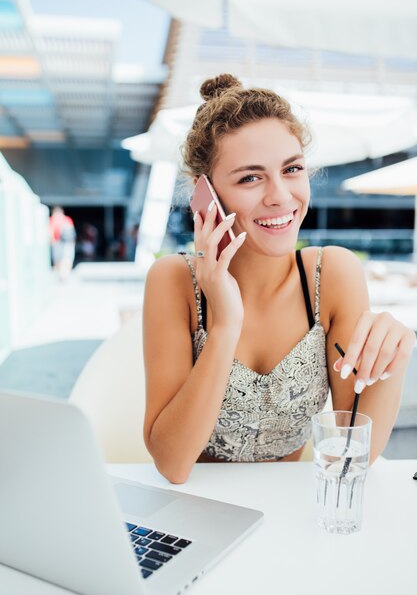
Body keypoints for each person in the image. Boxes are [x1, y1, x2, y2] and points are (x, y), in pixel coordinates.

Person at [142, 74, 415, 484]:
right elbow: (173, 464)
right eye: (250, 177)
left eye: (291, 169)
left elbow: (354, 455)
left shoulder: (332, 275)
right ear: (206, 195)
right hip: (196, 508)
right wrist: (225, 325)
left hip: (290, 509)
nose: (280, 196)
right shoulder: (175, 281)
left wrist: (394, 356)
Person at [49, 206, 76, 281]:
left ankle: (61, 274)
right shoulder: (67, 219)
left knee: (58, 260)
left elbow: (50, 232)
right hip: (68, 243)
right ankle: (65, 274)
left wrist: (52, 242)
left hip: (57, 243)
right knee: (67, 258)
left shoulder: (52, 219)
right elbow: (72, 233)